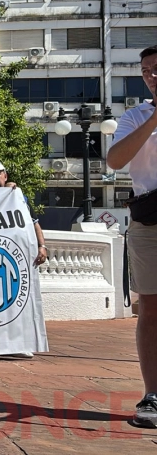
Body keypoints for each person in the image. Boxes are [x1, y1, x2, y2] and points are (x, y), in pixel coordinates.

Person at [106, 44, 157, 429]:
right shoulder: (135, 116)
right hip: (149, 221)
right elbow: (115, 160)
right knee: (151, 310)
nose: (151, 75)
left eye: (156, 68)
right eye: (145, 70)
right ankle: (152, 395)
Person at [0, 161, 48, 267]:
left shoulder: (19, 198)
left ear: (5, 176)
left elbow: (34, 224)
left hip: (14, 255)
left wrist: (42, 246)